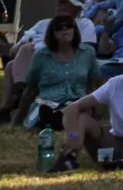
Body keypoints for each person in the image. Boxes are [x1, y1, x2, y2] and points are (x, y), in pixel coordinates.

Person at [59, 39, 123, 168]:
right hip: (116, 145)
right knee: (82, 119)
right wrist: (73, 136)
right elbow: (72, 108)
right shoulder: (115, 84)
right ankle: (68, 159)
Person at [26, 16, 101, 170]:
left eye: (69, 26)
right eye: (58, 28)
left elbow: (92, 86)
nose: (65, 30)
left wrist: (94, 111)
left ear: (75, 29)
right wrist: (18, 117)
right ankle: (54, 121)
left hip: (78, 102)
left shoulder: (88, 53)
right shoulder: (41, 56)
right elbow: (31, 87)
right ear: (51, 34)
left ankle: (68, 155)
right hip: (48, 100)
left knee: (79, 111)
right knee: (70, 113)